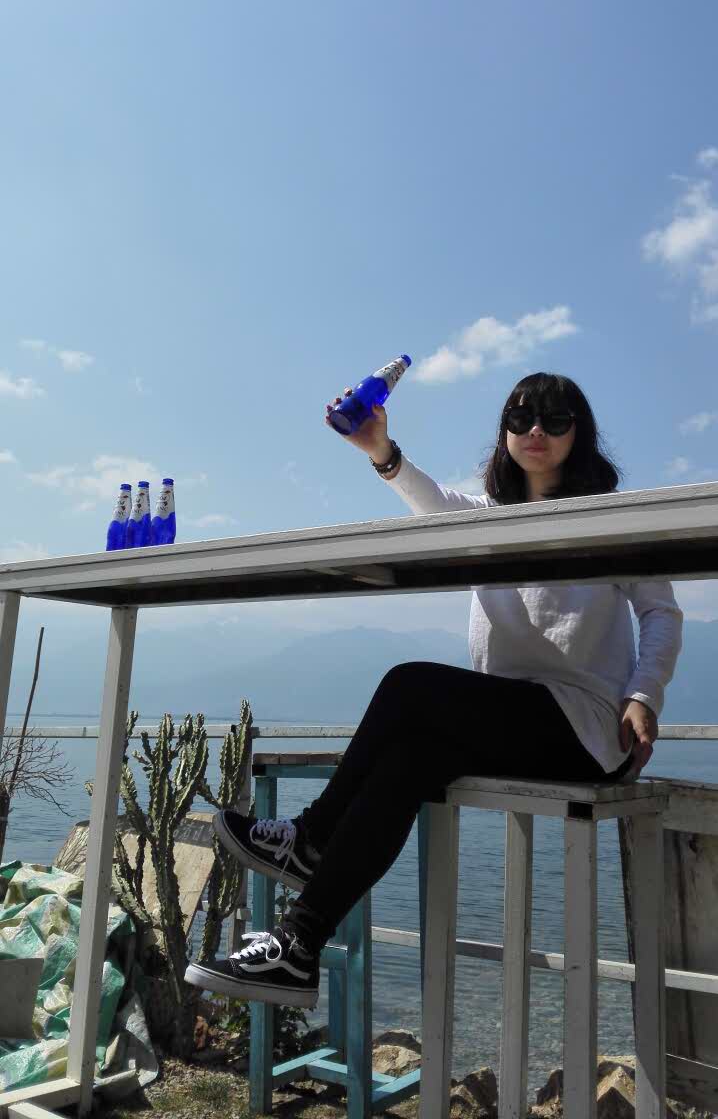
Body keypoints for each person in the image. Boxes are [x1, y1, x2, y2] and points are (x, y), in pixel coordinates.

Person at [184, 370, 683, 1009]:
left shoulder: (607, 515)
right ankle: (299, 946)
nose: (535, 430)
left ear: (578, 433)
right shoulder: (489, 518)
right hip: (510, 724)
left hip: (585, 729)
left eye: (555, 420)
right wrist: (381, 452)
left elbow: (661, 611)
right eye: (521, 417)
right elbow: (436, 504)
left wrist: (644, 695)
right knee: (408, 761)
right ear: (504, 431)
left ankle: (311, 837)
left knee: (409, 685)